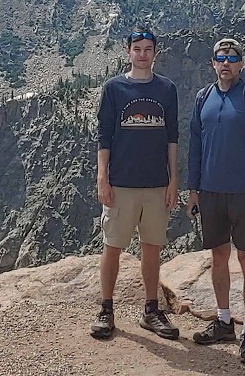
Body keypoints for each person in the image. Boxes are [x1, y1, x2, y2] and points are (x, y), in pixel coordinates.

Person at [186, 37, 245, 365]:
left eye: (232, 58)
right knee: (219, 255)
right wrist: (192, 189)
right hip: (210, 192)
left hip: (244, 194)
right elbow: (195, 145)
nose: (226, 63)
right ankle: (224, 321)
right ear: (212, 63)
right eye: (220, 58)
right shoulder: (202, 98)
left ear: (241, 64)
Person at [91, 27, 181, 341]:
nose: (142, 54)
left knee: (151, 248)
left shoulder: (167, 89)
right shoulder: (113, 88)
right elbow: (104, 136)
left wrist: (173, 181)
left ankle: (151, 310)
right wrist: (103, 177)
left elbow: (172, 137)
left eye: (148, 49)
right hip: (121, 183)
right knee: (112, 246)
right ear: (127, 51)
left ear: (155, 53)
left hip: (157, 184)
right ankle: (106, 308)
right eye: (137, 49)